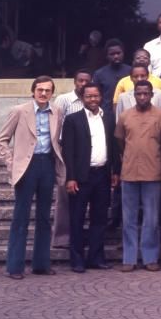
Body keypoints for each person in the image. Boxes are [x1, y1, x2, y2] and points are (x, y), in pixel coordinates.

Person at [0, 75, 66, 279]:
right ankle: (15, 266)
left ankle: (41, 264)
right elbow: (1, 140)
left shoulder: (57, 112)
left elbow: (57, 140)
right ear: (33, 91)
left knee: (44, 217)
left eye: (47, 90)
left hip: (47, 164)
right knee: (21, 217)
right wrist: (12, 162)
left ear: (52, 93)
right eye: (40, 90)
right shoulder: (20, 111)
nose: (43, 93)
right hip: (26, 166)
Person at [61, 82, 117, 273]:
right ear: (82, 98)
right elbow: (68, 151)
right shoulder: (72, 120)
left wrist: (114, 172)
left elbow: (114, 147)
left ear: (101, 97)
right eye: (88, 96)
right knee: (77, 218)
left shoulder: (108, 118)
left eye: (96, 96)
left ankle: (96, 257)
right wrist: (71, 177)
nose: (93, 100)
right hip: (80, 177)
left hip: (102, 175)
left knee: (99, 218)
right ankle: (77, 259)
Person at [114, 80, 161, 271]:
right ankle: (129, 258)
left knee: (151, 218)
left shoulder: (160, 116)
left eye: (146, 93)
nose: (142, 97)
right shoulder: (125, 116)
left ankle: (150, 257)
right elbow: (119, 140)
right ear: (134, 95)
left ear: (152, 95)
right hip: (129, 172)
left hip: (153, 172)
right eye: (139, 93)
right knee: (129, 218)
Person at [50, 69, 92, 250]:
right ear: (75, 82)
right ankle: (61, 238)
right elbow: (56, 126)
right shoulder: (64, 100)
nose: (83, 84)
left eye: (86, 81)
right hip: (66, 150)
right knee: (64, 196)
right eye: (80, 81)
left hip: (87, 154)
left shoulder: (93, 99)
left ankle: (81, 235)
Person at [92, 39, 131, 116]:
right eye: (112, 54)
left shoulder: (131, 71)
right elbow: (96, 95)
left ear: (123, 53)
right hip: (106, 114)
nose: (116, 56)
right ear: (107, 56)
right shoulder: (99, 74)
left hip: (128, 113)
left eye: (118, 53)